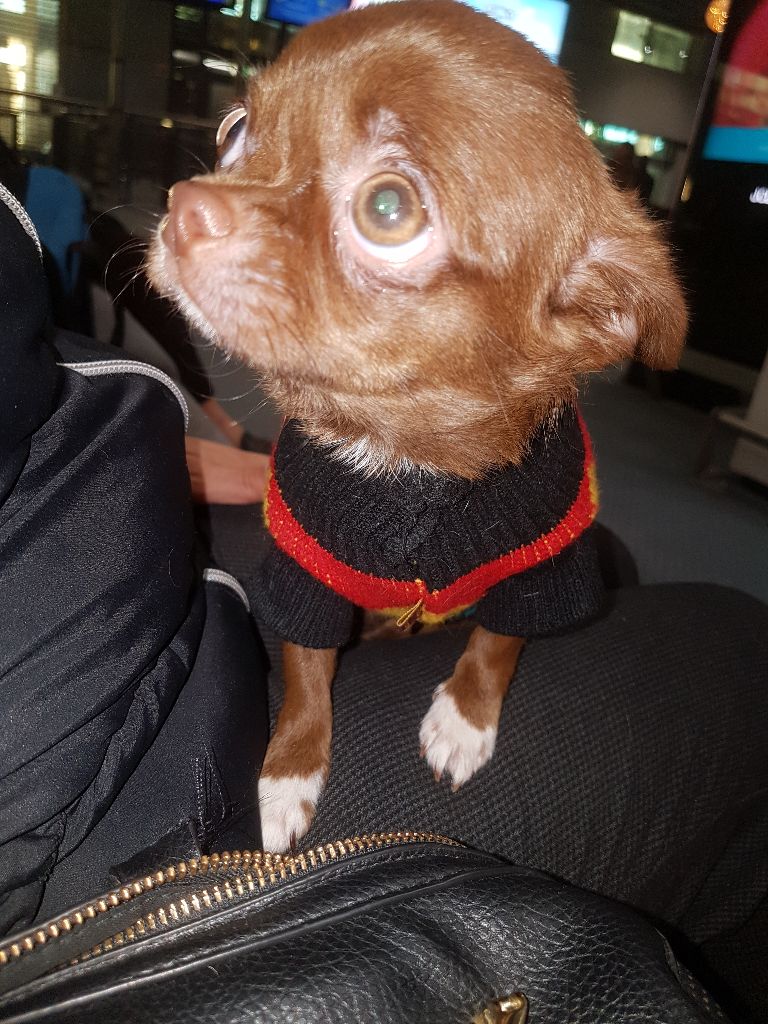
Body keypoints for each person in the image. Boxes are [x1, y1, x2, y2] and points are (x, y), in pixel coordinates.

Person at [1, 180, 767, 1023]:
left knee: (584, 555)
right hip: (108, 814)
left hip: (102, 562)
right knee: (740, 643)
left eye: (387, 206)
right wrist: (304, 723)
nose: (203, 193)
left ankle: (467, 648)